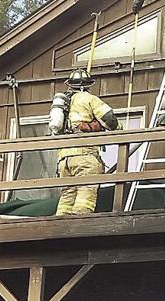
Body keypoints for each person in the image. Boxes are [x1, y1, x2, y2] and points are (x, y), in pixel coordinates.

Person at [49, 68, 117, 216]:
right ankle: (79, 221)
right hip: (84, 155)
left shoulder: (63, 104)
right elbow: (109, 119)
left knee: (67, 193)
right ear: (87, 85)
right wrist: (119, 129)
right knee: (86, 192)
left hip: (64, 158)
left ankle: (61, 223)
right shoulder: (88, 98)